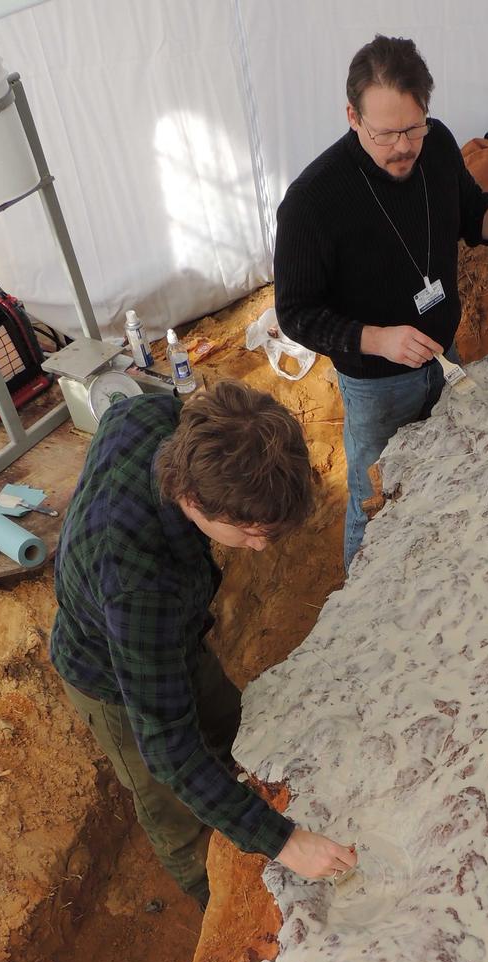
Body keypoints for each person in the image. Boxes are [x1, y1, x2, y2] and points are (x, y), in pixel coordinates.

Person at [50, 380, 357, 909]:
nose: (260, 547)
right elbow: (168, 747)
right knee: (173, 802)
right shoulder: (139, 584)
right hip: (107, 676)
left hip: (174, 636)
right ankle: (220, 904)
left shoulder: (153, 416)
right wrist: (285, 842)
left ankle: (246, 812)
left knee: (234, 732)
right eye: (250, 531)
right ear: (193, 498)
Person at [274, 33, 488, 569]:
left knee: (449, 469)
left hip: (445, 357)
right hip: (374, 387)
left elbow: (475, 215)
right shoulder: (312, 202)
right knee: (377, 501)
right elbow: (296, 313)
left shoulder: (436, 147)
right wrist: (378, 339)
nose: (403, 147)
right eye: (385, 133)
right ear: (351, 116)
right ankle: (360, 600)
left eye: (413, 127)